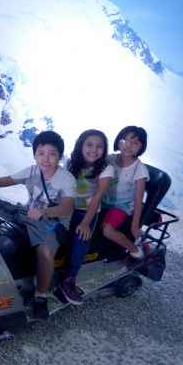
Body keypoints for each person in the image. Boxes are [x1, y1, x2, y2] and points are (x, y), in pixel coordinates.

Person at [0, 131, 76, 320]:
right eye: (41, 153)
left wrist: (44, 212)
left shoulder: (66, 179)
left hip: (52, 223)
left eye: (52, 154)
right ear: (35, 155)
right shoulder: (32, 171)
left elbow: (66, 207)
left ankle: (41, 296)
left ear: (60, 156)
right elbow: (4, 181)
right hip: (29, 215)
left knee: (45, 253)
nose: (46, 159)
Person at [59, 130, 114, 304]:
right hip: (68, 207)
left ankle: (69, 279)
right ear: (81, 145)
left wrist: (85, 224)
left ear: (104, 150)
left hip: (87, 211)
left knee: (81, 239)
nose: (93, 149)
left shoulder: (106, 168)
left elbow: (97, 197)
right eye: (89, 144)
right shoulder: (71, 162)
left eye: (99, 146)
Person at [101, 126, 150, 260]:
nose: (129, 145)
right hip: (102, 202)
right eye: (125, 140)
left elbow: (139, 200)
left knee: (107, 230)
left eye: (135, 143)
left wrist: (135, 227)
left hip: (121, 207)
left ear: (141, 147)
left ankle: (134, 249)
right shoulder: (109, 159)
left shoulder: (140, 169)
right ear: (118, 141)